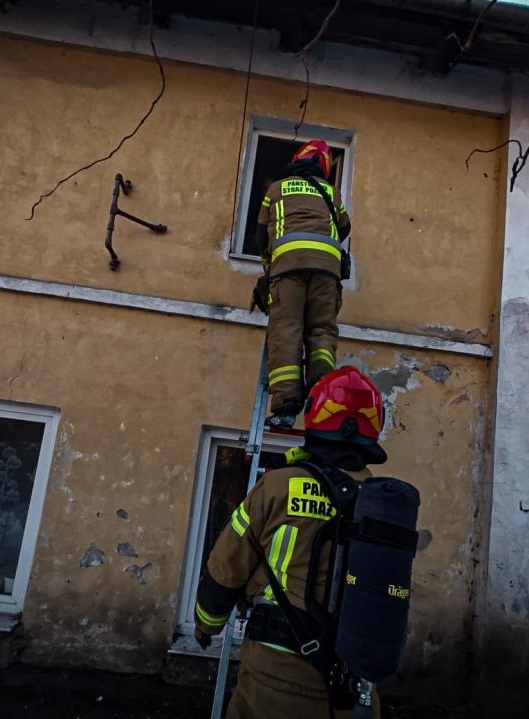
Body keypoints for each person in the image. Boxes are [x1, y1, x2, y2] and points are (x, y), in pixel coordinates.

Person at [193, 366, 386, 719]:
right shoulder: (380, 504)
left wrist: (207, 625)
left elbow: (227, 565)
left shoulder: (278, 486)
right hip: (352, 691)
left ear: (315, 416)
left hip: (273, 680)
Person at [254, 140, 351, 429]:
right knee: (322, 330)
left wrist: (268, 266)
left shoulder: (276, 189)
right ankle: (320, 393)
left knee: (287, 330)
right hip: (327, 272)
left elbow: (260, 234)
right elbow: (344, 227)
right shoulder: (331, 192)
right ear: (325, 166)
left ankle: (287, 405)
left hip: (289, 268)